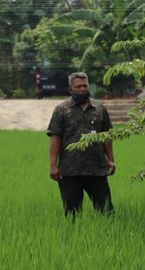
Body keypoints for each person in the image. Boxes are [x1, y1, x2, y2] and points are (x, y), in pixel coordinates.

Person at [47, 71, 115, 217]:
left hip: (97, 169)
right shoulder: (61, 110)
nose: (83, 89)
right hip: (70, 170)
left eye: (85, 86)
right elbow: (55, 137)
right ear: (70, 90)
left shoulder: (99, 109)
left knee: (106, 211)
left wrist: (111, 160)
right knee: (72, 214)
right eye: (78, 86)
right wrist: (53, 165)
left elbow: (106, 136)